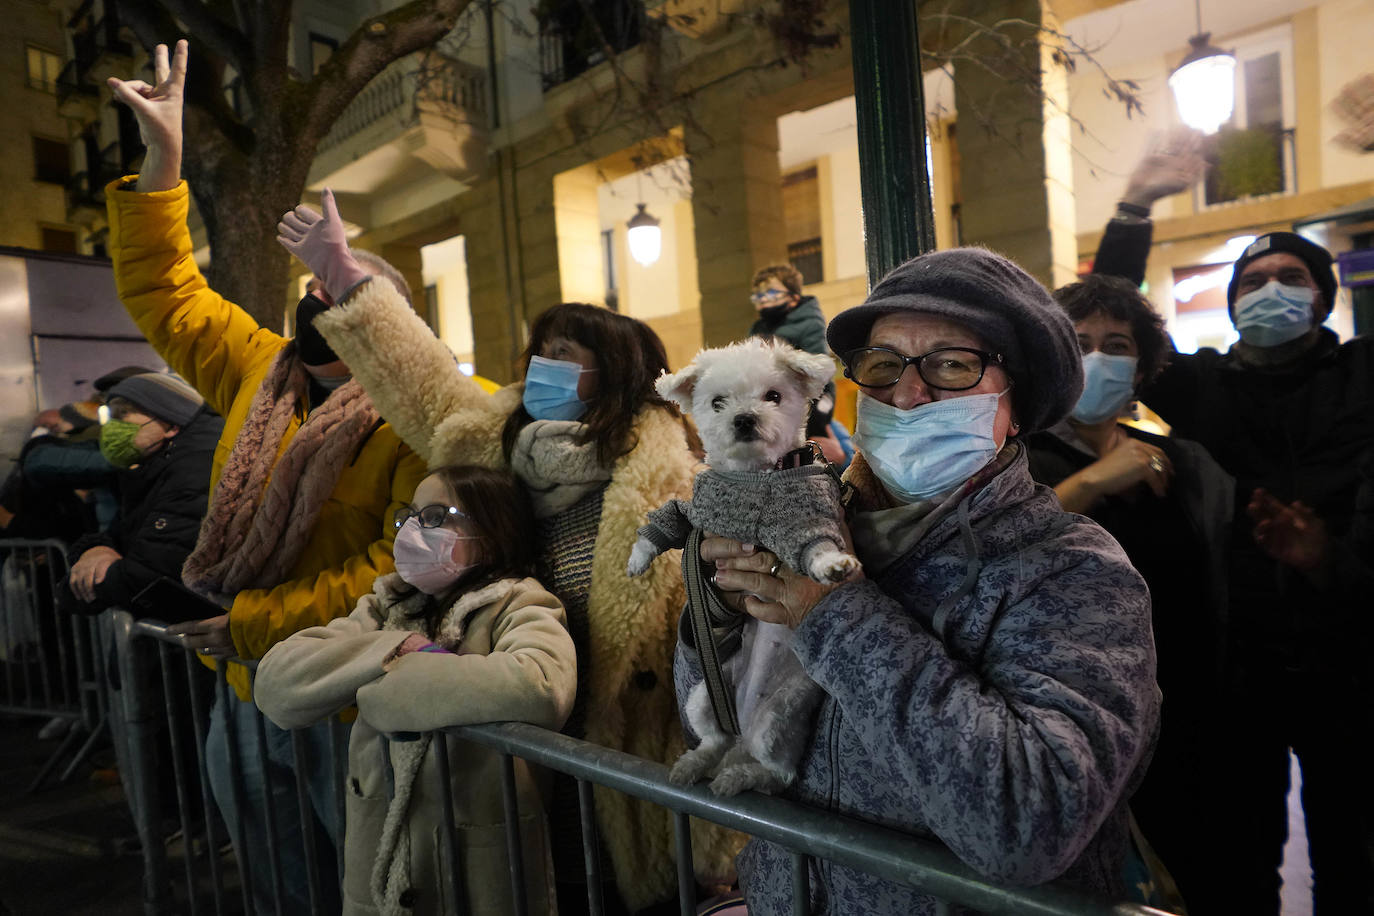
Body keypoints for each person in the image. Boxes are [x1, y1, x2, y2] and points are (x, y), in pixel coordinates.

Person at [276, 194, 741, 914]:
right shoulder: (497, 449)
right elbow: (418, 376)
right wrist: (343, 276)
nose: (541, 366)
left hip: (630, 773)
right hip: (508, 762)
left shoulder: (676, 489)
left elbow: (730, 655)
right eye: (540, 351)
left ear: (614, 373)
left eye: (564, 354)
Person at [683, 247, 1161, 914]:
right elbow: (711, 717)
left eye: (954, 365)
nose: (908, 393)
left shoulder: (1075, 569)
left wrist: (837, 618)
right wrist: (713, 608)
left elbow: (1028, 826)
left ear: (1016, 402)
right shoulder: (809, 519)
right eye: (882, 366)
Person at [104, 41, 428, 914]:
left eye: (342, 286)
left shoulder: (424, 416)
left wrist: (247, 622)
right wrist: (163, 164)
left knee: (369, 886)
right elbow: (167, 291)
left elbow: (398, 569)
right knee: (281, 882)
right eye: (314, 284)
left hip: (354, 704)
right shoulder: (260, 368)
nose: (320, 299)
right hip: (246, 694)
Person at [1095, 140, 1374, 915]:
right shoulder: (1204, 385)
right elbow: (1112, 313)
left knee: (1355, 861)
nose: (1271, 290)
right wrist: (1135, 206)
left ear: (1321, 297)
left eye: (1291, 278)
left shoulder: (1362, 375)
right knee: (1241, 862)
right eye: (1252, 282)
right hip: (1237, 674)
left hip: (1351, 659)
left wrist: (1324, 559)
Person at [255, 465, 576, 916]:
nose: (410, 530)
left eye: (433, 516)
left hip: (474, 868)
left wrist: (378, 687)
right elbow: (276, 686)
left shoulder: (518, 600)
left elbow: (542, 684)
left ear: (489, 529)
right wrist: (396, 646)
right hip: (379, 869)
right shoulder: (387, 605)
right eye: (407, 517)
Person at [1023, 274, 1232, 908]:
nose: (1097, 358)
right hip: (1078, 726)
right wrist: (1089, 483)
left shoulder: (1182, 462)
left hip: (1191, 718)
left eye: (1117, 344)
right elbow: (992, 555)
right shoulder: (1013, 461)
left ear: (1142, 368)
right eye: (1078, 341)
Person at [59, 372, 222, 616]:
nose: (112, 427)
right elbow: (120, 535)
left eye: (123, 414)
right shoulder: (153, 467)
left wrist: (77, 587)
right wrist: (95, 550)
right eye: (111, 416)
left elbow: (151, 577)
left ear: (170, 425)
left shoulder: (197, 469)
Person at [748, 264, 846, 465]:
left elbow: (819, 370)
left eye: (772, 293)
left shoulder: (809, 322)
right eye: (758, 296)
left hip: (807, 398)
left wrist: (817, 415)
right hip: (767, 399)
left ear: (793, 297)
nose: (764, 300)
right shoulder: (758, 328)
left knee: (823, 440)